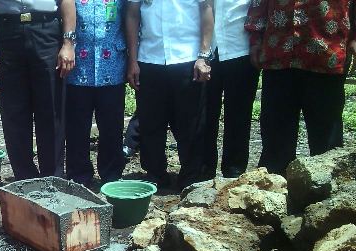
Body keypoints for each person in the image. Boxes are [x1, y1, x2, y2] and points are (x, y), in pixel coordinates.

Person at [246, 0, 354, 175]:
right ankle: (274, 192)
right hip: (278, 55)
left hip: (326, 55)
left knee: (326, 140)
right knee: (275, 138)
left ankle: (325, 193)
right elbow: (259, 3)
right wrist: (255, 40)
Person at [125, 0, 213, 189]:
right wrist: (132, 60)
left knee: (190, 124)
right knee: (150, 122)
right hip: (150, 56)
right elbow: (132, 14)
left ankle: (190, 177)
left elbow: (207, 7)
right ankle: (155, 174)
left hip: (188, 57)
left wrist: (203, 55)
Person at [0, 0, 77, 180]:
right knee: (13, 112)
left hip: (46, 30)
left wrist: (68, 43)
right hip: (8, 33)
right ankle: (25, 179)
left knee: (51, 109)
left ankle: (53, 178)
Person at [65, 0, 126, 186]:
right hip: (78, 68)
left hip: (112, 66)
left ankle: (112, 173)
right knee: (76, 126)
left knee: (112, 126)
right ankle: (79, 175)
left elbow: (131, 18)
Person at [201, 0, 260, 179]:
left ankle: (234, 169)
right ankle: (204, 168)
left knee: (239, 114)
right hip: (207, 50)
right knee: (205, 113)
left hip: (240, 46)